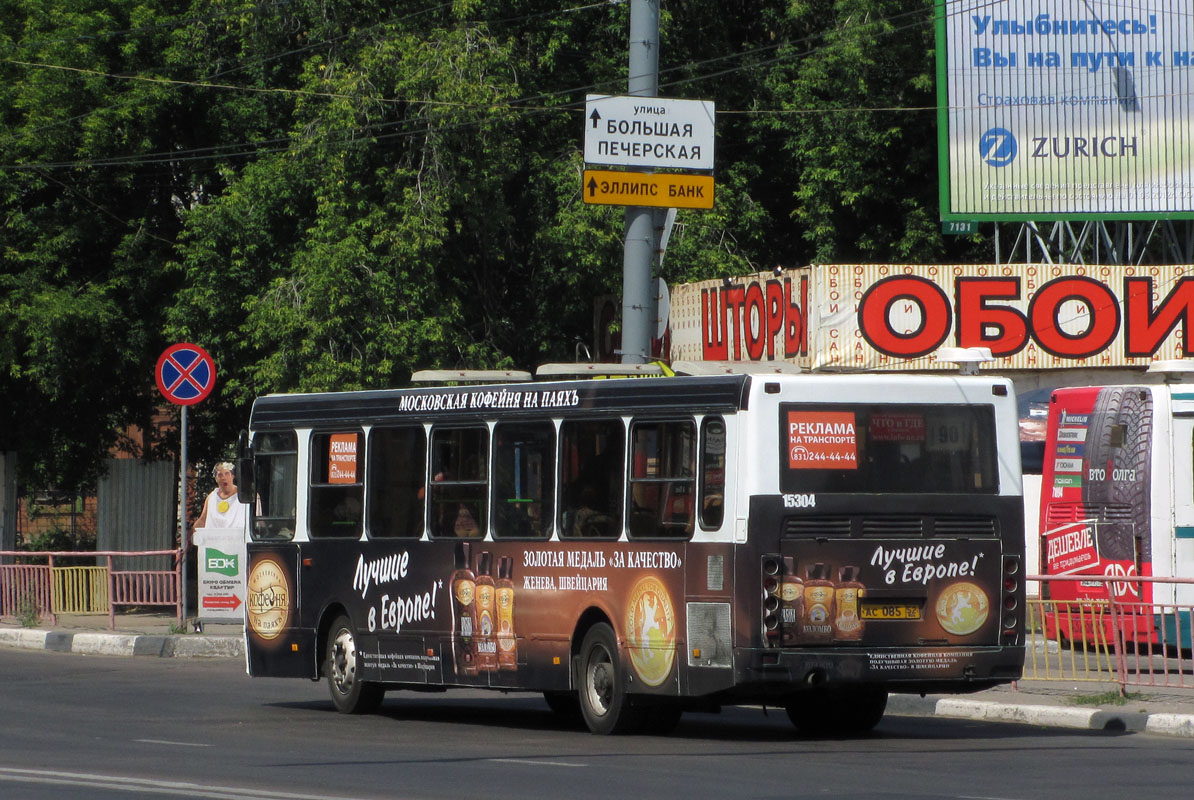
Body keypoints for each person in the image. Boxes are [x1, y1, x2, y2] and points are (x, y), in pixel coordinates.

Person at [194, 462, 247, 533]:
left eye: (227, 474)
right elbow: (203, 519)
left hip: (237, 540)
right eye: (220, 475)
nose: (223, 478)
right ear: (216, 478)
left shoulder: (244, 495)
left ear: (232, 476)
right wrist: (193, 533)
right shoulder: (211, 497)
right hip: (214, 541)